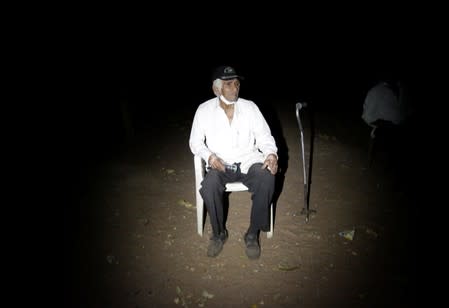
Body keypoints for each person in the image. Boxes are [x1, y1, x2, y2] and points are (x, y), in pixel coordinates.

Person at [189, 65, 278, 259]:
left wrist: (271, 154)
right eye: (228, 84)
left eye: (236, 84)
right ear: (216, 89)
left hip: (248, 161)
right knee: (210, 185)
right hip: (220, 164)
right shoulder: (204, 110)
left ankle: (253, 234)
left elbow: (264, 136)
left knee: (267, 178)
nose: (235, 88)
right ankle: (219, 233)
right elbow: (195, 142)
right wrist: (210, 157)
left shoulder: (250, 107)